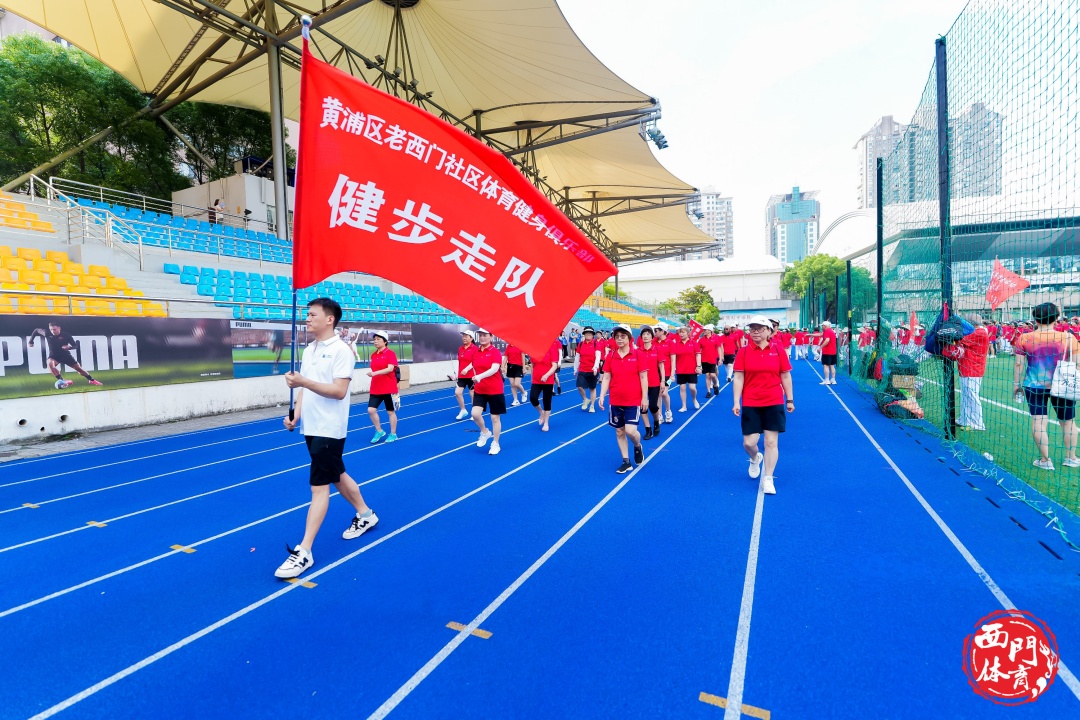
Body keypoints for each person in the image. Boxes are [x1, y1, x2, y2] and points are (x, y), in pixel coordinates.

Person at [278, 298, 377, 579]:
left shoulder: (341, 351)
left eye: (312, 314)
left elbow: (338, 391)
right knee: (337, 474)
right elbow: (304, 389)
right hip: (311, 426)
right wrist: (296, 415)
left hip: (329, 428)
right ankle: (366, 515)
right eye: (307, 314)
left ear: (329, 319)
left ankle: (305, 551)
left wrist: (303, 381)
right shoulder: (310, 349)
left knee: (318, 488)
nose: (307, 318)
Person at [1013, 302, 1080, 470]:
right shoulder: (1068, 337)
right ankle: (1071, 457)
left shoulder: (1025, 338)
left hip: (1033, 385)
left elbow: (1019, 364)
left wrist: (1016, 384)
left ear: (1035, 318)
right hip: (1063, 385)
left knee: (1038, 421)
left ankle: (1045, 460)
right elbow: (1077, 364)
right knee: (1068, 422)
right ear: (1056, 318)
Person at [732, 315, 794, 495]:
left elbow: (785, 375)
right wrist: (736, 401)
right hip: (751, 401)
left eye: (760, 328)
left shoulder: (778, 350)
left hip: (774, 400)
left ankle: (768, 478)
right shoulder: (744, 352)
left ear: (769, 331)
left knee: (770, 441)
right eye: (752, 328)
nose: (756, 332)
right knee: (749, 443)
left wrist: (790, 399)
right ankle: (755, 458)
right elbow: (739, 377)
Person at [597, 324, 648, 473]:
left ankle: (637, 446)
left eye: (623, 336)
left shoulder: (638, 355)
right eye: (617, 336)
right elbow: (606, 377)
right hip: (615, 400)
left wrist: (644, 398)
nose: (619, 339)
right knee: (619, 432)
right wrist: (602, 395)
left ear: (629, 338)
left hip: (633, 400)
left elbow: (643, 377)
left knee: (631, 431)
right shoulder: (611, 356)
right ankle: (626, 461)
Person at [29, 323, 103, 389]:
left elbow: (75, 346)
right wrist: (31, 341)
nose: (52, 331)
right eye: (51, 329)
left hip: (65, 355)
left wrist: (69, 347)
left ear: (59, 328)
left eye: (54, 329)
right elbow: (36, 330)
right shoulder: (47, 333)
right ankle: (62, 380)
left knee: (79, 369)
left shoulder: (66, 335)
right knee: (49, 363)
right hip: (54, 355)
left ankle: (91, 380)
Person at [470, 329, 506, 455]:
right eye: (480, 335)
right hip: (480, 389)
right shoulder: (476, 352)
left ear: (491, 337)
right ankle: (485, 432)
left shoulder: (495, 352)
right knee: (475, 414)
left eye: (485, 335)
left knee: (495, 418)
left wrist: (480, 376)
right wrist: (471, 374)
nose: (482, 338)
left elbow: (494, 369)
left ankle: (496, 443)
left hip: (495, 389)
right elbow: (473, 365)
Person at [954, 316, 990, 431]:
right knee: (966, 395)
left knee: (972, 395)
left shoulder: (979, 332)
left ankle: (977, 423)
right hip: (966, 367)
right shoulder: (976, 331)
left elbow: (959, 339)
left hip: (973, 369)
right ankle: (965, 419)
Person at [366, 329, 399, 443]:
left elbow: (390, 368)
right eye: (374, 339)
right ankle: (379, 431)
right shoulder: (373, 355)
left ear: (385, 341)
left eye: (378, 339)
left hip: (389, 387)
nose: (375, 341)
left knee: (390, 412)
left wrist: (374, 373)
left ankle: (393, 434)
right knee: (371, 410)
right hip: (376, 387)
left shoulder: (390, 353)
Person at [637, 325, 666, 440]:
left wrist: (663, 381)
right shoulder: (638, 351)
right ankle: (648, 429)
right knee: (642, 407)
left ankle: (656, 421)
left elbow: (661, 366)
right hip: (640, 383)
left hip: (654, 382)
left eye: (648, 334)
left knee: (653, 406)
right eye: (643, 334)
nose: (645, 336)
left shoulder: (657, 349)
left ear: (652, 337)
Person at [530, 337, 562, 431]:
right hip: (536, 379)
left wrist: (546, 375)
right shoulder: (534, 351)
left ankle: (546, 423)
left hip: (548, 380)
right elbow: (532, 366)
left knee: (546, 401)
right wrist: (532, 377)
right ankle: (541, 412)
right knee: (533, 398)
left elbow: (554, 366)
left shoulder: (551, 349)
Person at [669, 325, 702, 412]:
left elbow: (698, 354)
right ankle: (684, 406)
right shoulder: (676, 344)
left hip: (692, 369)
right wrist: (673, 372)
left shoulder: (693, 343)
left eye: (683, 332)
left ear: (688, 333)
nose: (681, 334)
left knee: (692, 388)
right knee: (682, 388)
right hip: (680, 370)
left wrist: (699, 366)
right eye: (680, 332)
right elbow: (673, 358)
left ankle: (694, 399)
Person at [575, 326, 602, 412]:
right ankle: (585, 399)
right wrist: (575, 369)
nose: (588, 335)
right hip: (582, 369)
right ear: (584, 334)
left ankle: (592, 406)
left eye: (590, 333)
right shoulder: (580, 344)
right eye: (587, 333)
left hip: (592, 370)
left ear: (592, 335)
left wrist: (595, 367)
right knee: (579, 386)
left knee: (592, 388)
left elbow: (598, 357)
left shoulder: (596, 344)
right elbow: (577, 357)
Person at [454, 330, 477, 420]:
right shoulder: (460, 348)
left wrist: (466, 369)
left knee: (472, 394)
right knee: (457, 393)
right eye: (463, 336)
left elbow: (475, 361)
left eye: (466, 336)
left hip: (472, 375)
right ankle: (463, 410)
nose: (464, 338)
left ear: (471, 338)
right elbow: (460, 362)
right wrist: (459, 373)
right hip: (462, 376)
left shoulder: (475, 349)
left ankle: (475, 413)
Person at [654, 325, 675, 422]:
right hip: (656, 372)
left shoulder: (670, 342)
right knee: (658, 394)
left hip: (667, 373)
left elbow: (673, 359)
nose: (654, 333)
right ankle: (659, 415)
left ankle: (668, 410)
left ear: (662, 331)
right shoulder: (653, 342)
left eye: (656, 331)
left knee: (664, 393)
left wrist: (672, 374)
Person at [700, 324, 722, 397]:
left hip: (712, 359)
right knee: (707, 375)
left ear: (710, 331)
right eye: (704, 330)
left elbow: (719, 348)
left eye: (705, 330)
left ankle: (715, 385)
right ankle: (708, 392)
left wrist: (720, 358)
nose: (704, 331)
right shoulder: (701, 339)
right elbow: (698, 349)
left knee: (713, 375)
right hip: (704, 360)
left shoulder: (715, 338)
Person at [503, 342, 525, 407]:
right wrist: (503, 366)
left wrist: (524, 367)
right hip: (510, 366)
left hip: (518, 366)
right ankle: (515, 400)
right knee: (512, 384)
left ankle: (524, 393)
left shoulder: (520, 345)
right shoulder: (508, 347)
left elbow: (523, 357)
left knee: (517, 383)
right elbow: (506, 357)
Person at [819, 321, 838, 385]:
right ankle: (833, 379)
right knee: (832, 366)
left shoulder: (827, 331)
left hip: (827, 351)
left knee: (826, 365)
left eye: (822, 326)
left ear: (825, 326)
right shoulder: (832, 331)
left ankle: (827, 380)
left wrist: (820, 347)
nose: (822, 327)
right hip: (833, 351)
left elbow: (827, 340)